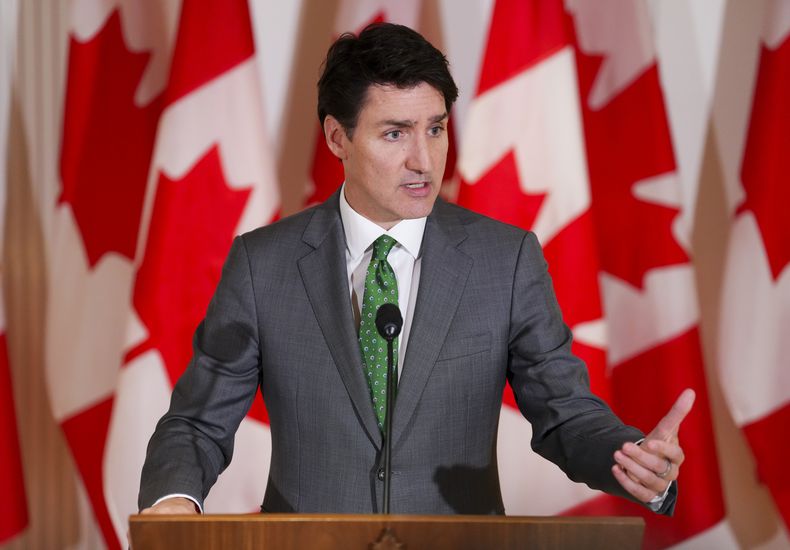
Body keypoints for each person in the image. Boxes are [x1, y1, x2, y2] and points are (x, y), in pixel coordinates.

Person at [139, 22, 691, 516]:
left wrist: (631, 457)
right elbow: (197, 422)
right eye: (395, 133)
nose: (424, 161)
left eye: (436, 128)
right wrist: (173, 506)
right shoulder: (264, 265)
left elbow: (565, 413)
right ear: (338, 138)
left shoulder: (506, 260)